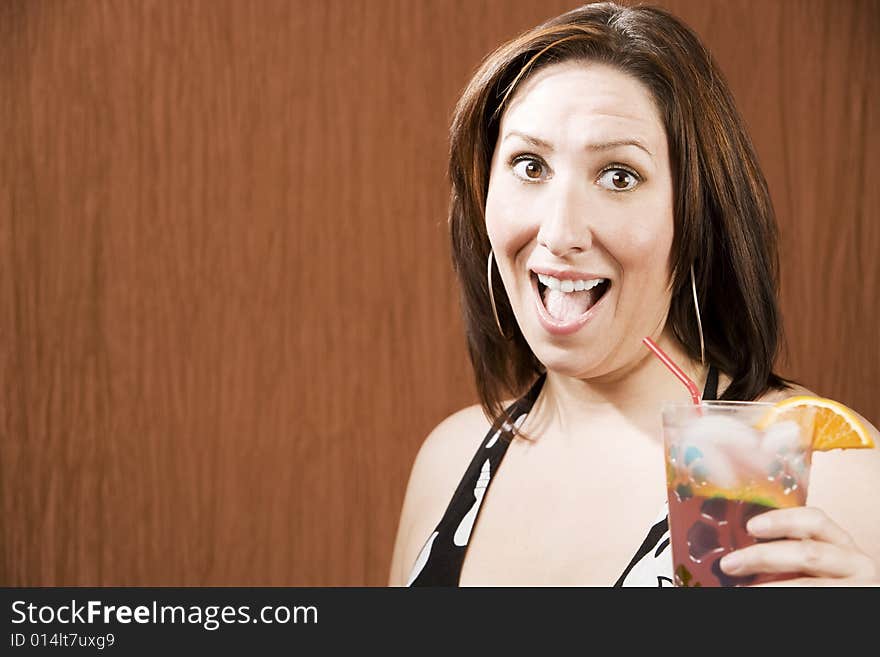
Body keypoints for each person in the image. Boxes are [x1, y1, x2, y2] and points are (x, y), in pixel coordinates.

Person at [388, 1, 880, 586]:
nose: (561, 233)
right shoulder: (449, 461)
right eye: (529, 165)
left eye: (618, 176)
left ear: (695, 220)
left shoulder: (811, 467)